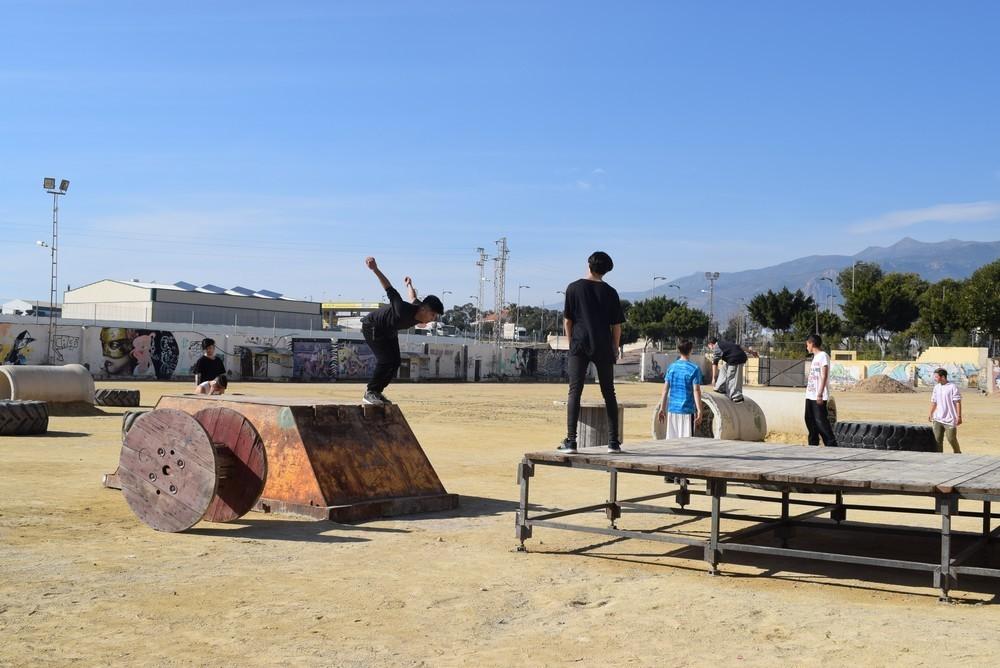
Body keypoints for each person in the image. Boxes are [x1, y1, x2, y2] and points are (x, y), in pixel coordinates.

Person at [557, 251, 626, 454]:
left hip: (579, 343)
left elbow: (568, 320)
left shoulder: (573, 288)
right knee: (609, 392)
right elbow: (616, 326)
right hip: (603, 344)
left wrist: (572, 343)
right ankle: (613, 442)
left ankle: (571, 441)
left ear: (589, 265)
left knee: (574, 391)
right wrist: (614, 346)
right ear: (606, 271)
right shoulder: (611, 292)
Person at [361, 256, 444, 405]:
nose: (433, 319)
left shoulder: (419, 308)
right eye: (433, 315)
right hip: (373, 326)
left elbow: (412, 297)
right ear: (424, 309)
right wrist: (375, 269)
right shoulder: (402, 309)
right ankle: (370, 392)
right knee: (385, 360)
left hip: (389, 330)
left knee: (396, 361)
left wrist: (409, 285)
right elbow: (389, 288)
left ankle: (377, 392)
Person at [657, 340, 703, 438]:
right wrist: (699, 410)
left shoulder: (671, 367)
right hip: (687, 411)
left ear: (678, 350)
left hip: (672, 410)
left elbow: (665, 390)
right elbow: (696, 391)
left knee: (672, 443)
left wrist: (662, 408)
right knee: (687, 443)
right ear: (691, 350)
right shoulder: (694, 369)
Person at [804, 334, 837, 447]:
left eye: (807, 344)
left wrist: (820, 394)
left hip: (818, 396)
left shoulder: (823, 356)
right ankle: (813, 444)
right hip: (810, 395)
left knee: (821, 422)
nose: (806, 347)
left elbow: (824, 375)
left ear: (812, 343)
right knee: (809, 420)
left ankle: (831, 445)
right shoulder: (814, 358)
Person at [929, 367, 962, 453]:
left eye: (936, 377)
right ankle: (939, 457)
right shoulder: (936, 387)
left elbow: (958, 402)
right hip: (938, 418)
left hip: (950, 419)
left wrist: (959, 416)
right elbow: (934, 402)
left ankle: (958, 453)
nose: (935, 378)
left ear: (942, 377)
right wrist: (931, 413)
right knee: (937, 441)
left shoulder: (952, 387)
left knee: (951, 439)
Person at [707, 336, 747, 402]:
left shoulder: (716, 347)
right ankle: (719, 387)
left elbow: (714, 364)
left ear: (710, 344)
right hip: (736, 357)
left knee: (731, 376)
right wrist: (751, 352)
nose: (710, 349)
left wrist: (713, 378)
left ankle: (736, 396)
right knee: (723, 369)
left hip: (736, 359)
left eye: (709, 347)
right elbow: (739, 346)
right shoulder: (723, 343)